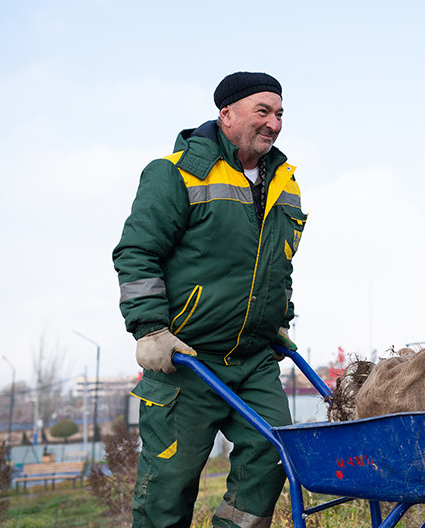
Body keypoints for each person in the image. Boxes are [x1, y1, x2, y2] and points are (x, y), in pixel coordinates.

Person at [113, 71, 305, 528]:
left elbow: (280, 264)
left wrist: (280, 318)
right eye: (263, 111)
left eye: (280, 114)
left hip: (253, 360)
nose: (274, 123)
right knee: (168, 486)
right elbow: (137, 252)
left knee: (275, 452)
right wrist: (150, 329)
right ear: (227, 114)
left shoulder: (286, 184)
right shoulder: (176, 173)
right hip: (186, 358)